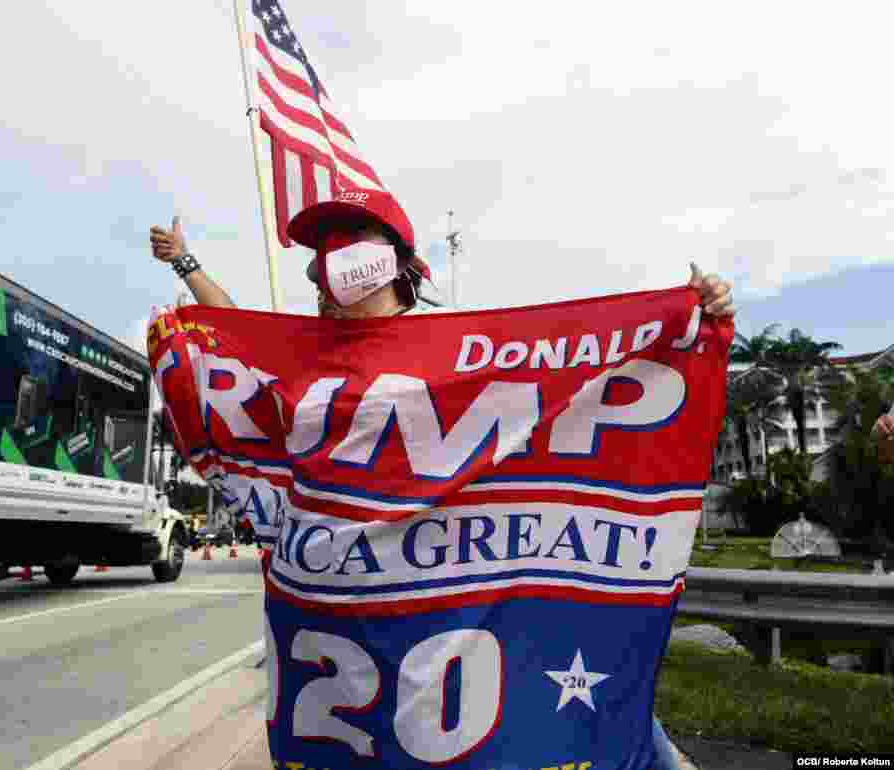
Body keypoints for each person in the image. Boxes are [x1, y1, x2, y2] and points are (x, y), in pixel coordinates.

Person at [149, 189, 733, 770]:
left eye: (343, 248)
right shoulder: (305, 354)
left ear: (388, 263)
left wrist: (691, 320)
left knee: (562, 684)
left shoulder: (456, 343)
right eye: (319, 257)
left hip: (468, 590)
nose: (325, 269)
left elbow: (582, 369)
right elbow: (231, 335)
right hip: (352, 616)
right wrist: (185, 264)